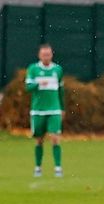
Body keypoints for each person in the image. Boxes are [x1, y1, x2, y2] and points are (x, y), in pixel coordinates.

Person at [25, 44, 65, 178]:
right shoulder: (33, 69)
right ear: (39, 55)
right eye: (43, 54)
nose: (46, 57)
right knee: (39, 140)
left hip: (54, 110)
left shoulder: (58, 70)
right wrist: (38, 84)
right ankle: (38, 167)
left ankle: (58, 168)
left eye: (48, 54)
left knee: (55, 138)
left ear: (52, 55)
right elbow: (28, 87)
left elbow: (61, 90)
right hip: (38, 111)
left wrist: (62, 108)